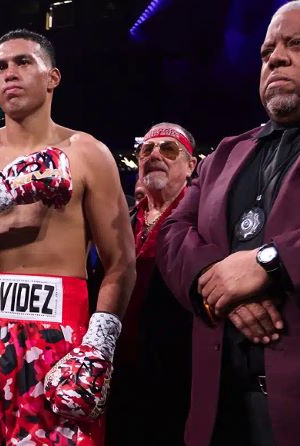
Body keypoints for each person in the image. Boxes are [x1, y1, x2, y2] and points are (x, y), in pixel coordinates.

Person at [0, 29, 136, 445]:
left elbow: (121, 263)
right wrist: (0, 191)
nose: (9, 73)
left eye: (23, 62)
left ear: (53, 78)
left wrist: (100, 344)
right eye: (0, 67)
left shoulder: (88, 153)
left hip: (55, 339)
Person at [156, 3, 300, 445]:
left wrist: (269, 262)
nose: (276, 58)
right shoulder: (225, 153)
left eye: (296, 44)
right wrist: (218, 284)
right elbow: (172, 232)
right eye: (267, 51)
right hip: (221, 408)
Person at [106, 123, 197, 446]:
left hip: (180, 377)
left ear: (191, 165)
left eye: (168, 149)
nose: (155, 155)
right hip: (121, 374)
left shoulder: (204, 221)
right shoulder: (124, 222)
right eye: (147, 150)